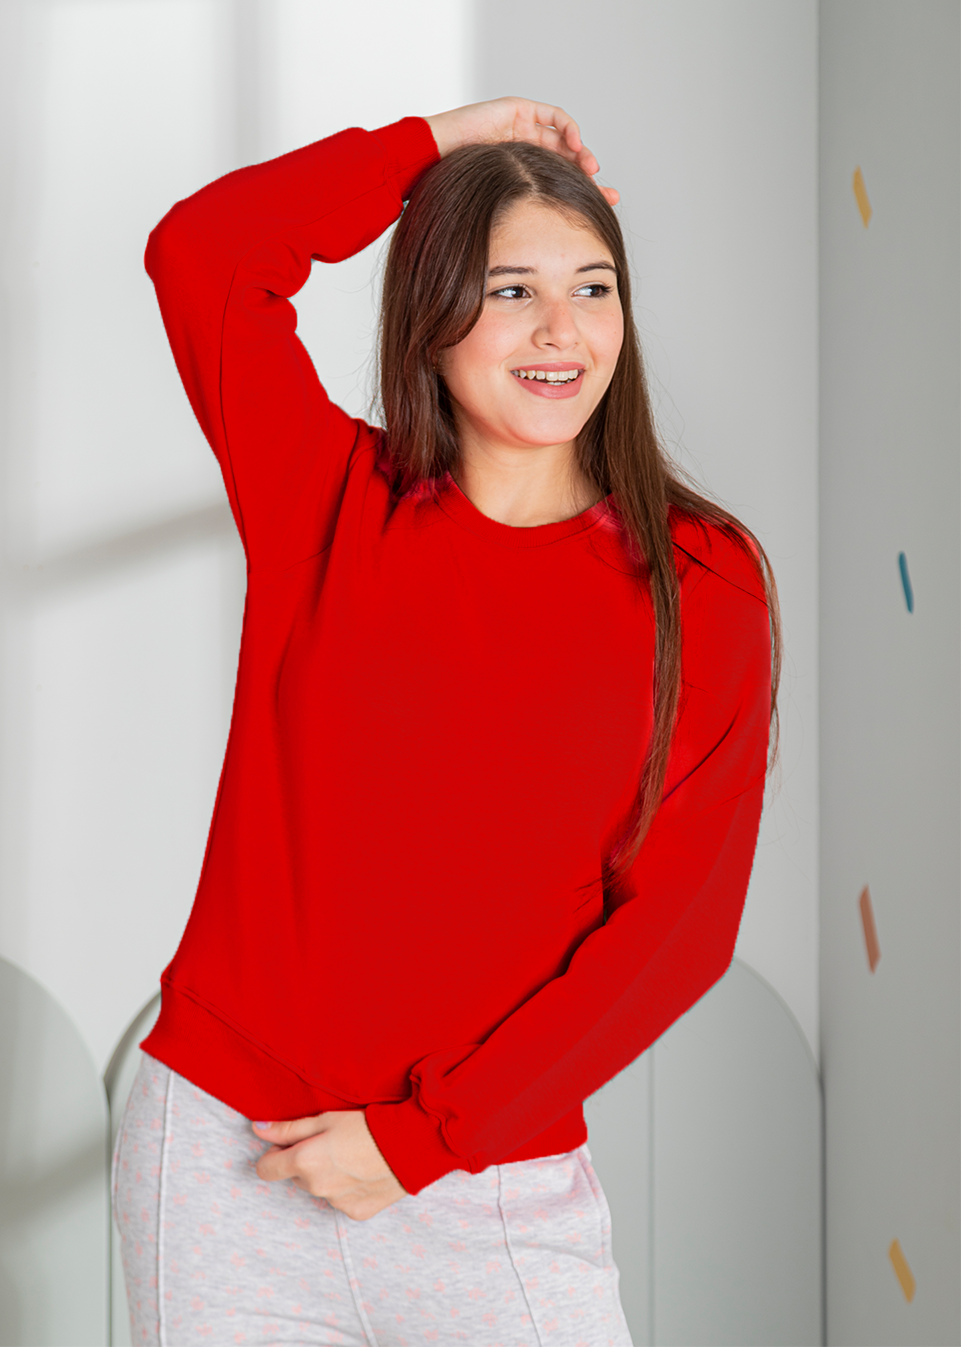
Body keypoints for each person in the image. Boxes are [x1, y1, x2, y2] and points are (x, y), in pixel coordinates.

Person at [111, 97, 779, 1346]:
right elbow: (204, 253)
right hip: (222, 1163)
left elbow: (678, 929)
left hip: (492, 1191)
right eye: (512, 290)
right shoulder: (326, 499)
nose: (562, 330)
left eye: (592, 288)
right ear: (432, 313)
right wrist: (430, 144)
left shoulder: (704, 582)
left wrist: (427, 1139)